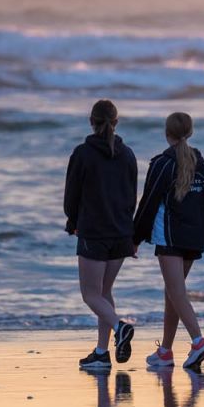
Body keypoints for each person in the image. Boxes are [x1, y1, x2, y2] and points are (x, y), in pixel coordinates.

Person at [134, 112, 204, 371]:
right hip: (194, 238)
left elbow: (147, 202)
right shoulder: (202, 164)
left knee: (176, 291)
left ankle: (198, 341)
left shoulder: (163, 163)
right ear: (189, 133)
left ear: (166, 133)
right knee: (173, 291)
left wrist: (134, 238)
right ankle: (166, 351)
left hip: (171, 236)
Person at [65, 99, 138, 369]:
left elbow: (71, 195)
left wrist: (72, 220)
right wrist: (131, 232)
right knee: (104, 292)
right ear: (116, 123)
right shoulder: (128, 154)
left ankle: (121, 328)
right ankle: (101, 352)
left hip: (94, 232)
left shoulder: (83, 153)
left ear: (91, 121)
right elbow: (132, 196)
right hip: (121, 233)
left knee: (90, 295)